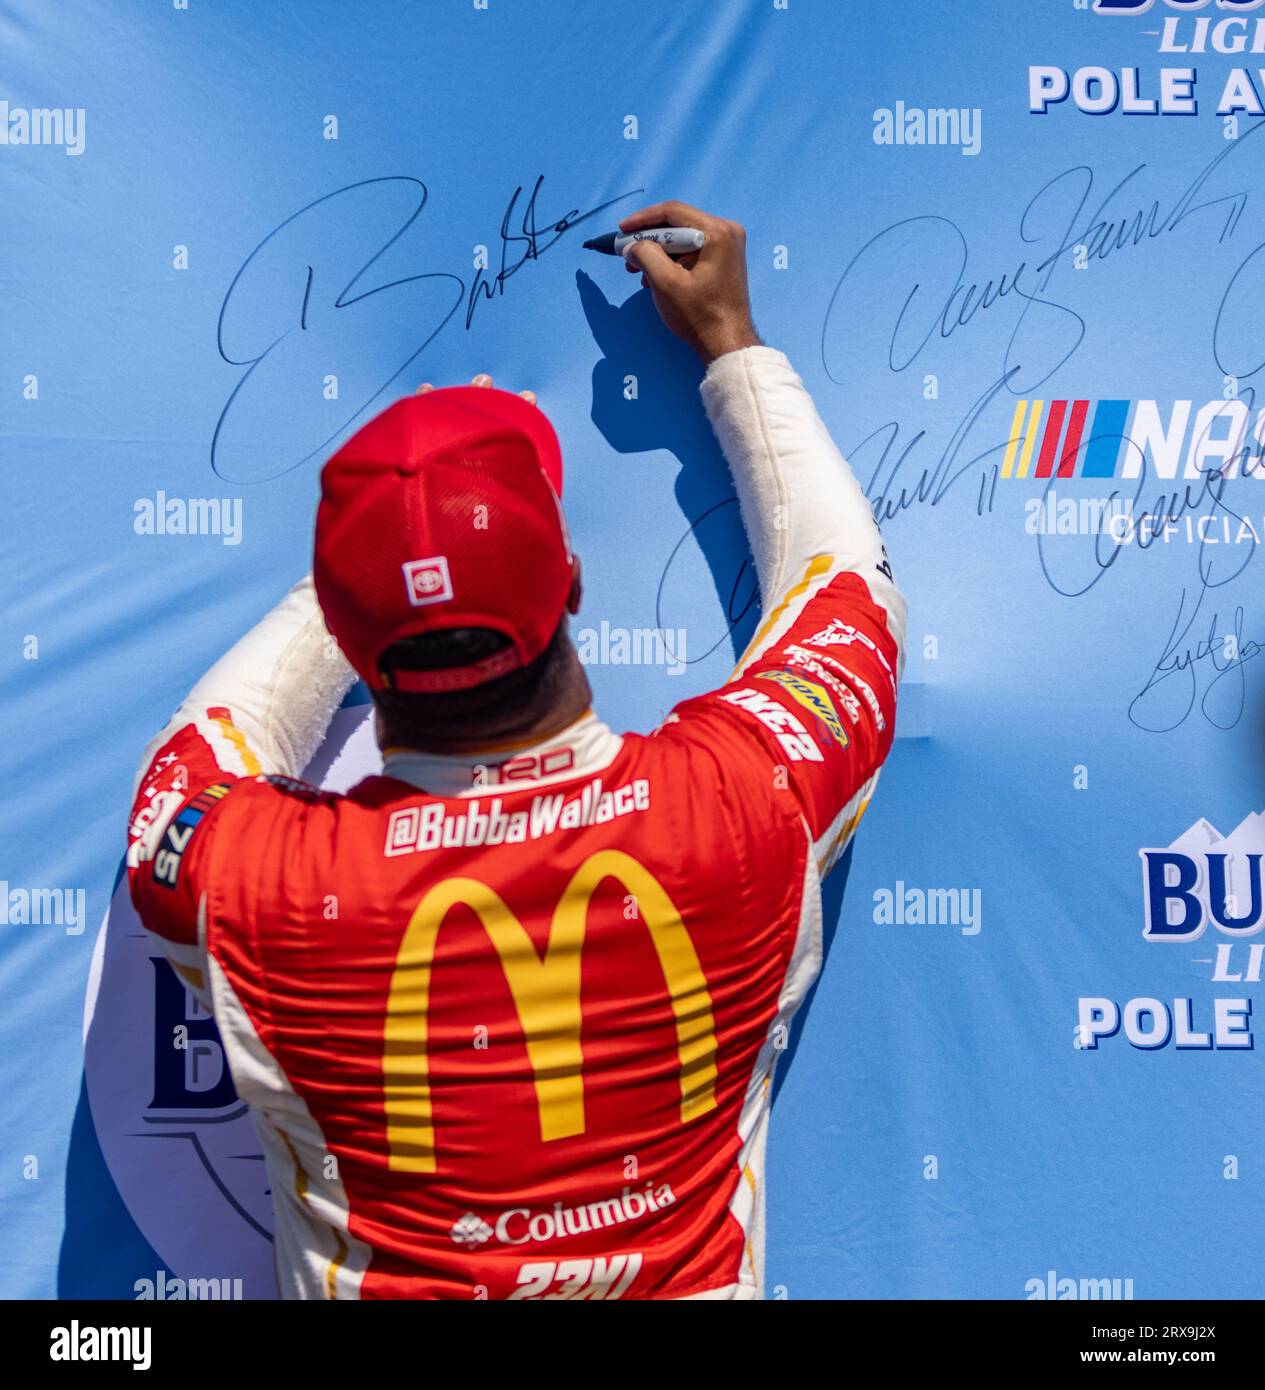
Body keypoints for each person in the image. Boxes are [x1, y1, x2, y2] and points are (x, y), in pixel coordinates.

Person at [126, 200, 907, 1300]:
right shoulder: (736, 805)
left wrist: (373, 561)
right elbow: (848, 599)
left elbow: (189, 765)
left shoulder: (256, 884)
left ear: (353, 644)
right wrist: (734, 346)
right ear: (573, 582)